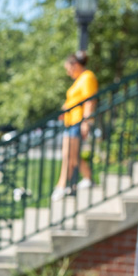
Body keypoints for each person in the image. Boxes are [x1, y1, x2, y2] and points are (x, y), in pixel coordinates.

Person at [53, 50, 99, 201]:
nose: (68, 72)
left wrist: (86, 122)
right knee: (72, 155)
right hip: (71, 121)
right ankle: (88, 178)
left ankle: (61, 185)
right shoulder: (79, 80)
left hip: (78, 122)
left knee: (68, 154)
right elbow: (73, 100)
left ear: (76, 65)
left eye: (69, 68)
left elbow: (89, 100)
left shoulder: (87, 77)